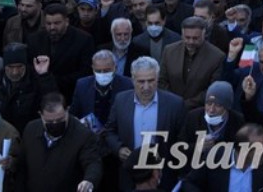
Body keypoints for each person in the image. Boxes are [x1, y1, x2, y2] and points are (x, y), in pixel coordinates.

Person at [106, 56, 186, 191]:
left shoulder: (175, 104)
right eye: (141, 82)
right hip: (129, 176)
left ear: (158, 78)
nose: (146, 87)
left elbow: (183, 139)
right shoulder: (121, 100)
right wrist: (118, 149)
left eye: (151, 81)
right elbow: (109, 131)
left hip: (163, 176)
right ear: (132, 80)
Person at [16, 92, 102, 192]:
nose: (55, 124)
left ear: (67, 110)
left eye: (60, 120)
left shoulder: (83, 135)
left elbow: (93, 162)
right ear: (41, 115)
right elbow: (22, 167)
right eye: (49, 122)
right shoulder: (31, 129)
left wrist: (89, 180)